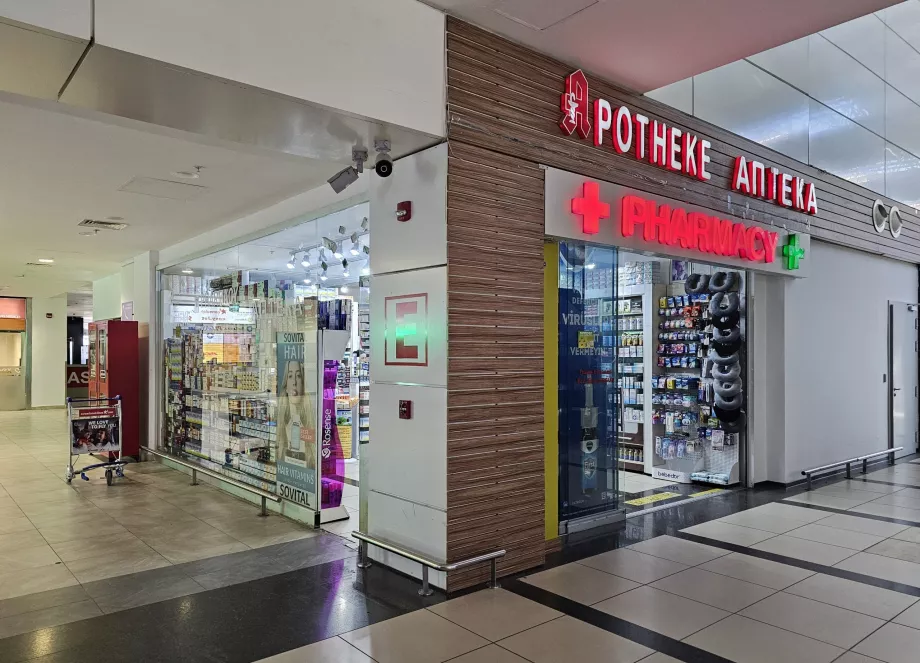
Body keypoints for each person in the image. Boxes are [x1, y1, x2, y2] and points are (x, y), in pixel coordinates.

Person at [277, 358, 316, 469]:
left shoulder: (309, 425)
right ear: (286, 384)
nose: (294, 382)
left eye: (298, 376)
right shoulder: (283, 426)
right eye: (290, 376)